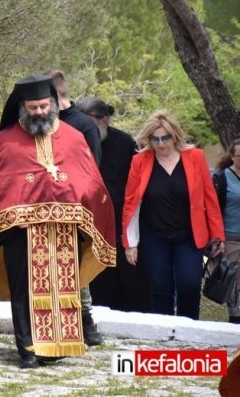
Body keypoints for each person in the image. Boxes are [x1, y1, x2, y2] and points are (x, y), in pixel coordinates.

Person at [0, 75, 116, 368]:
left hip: (65, 232)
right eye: (33, 107)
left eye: (44, 105)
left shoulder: (74, 137)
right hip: (20, 233)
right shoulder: (4, 141)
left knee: (64, 288)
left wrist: (76, 202)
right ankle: (27, 347)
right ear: (22, 107)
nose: (39, 112)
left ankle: (58, 346)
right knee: (24, 291)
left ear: (53, 103)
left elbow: (90, 182)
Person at [122, 110, 225, 319]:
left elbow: (209, 199)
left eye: (165, 138)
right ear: (148, 139)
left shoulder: (194, 157)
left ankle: (189, 331)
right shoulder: (140, 161)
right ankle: (164, 337)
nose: (161, 144)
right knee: (161, 288)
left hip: (188, 235)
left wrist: (218, 234)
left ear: (175, 136)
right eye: (155, 139)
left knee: (189, 284)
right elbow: (131, 203)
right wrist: (130, 243)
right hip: (154, 236)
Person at [46, 70, 103, 345]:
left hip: (74, 207)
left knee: (75, 267)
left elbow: (92, 172)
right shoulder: (42, 122)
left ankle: (85, 317)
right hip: (43, 207)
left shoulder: (84, 126)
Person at [76, 97, 149, 313]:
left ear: (104, 119)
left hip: (120, 220)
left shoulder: (125, 142)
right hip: (89, 219)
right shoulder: (77, 142)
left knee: (125, 275)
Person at [213, 138, 240, 323]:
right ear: (232, 156)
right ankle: (235, 319)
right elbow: (214, 210)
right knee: (235, 283)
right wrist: (217, 238)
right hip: (231, 238)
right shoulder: (222, 178)